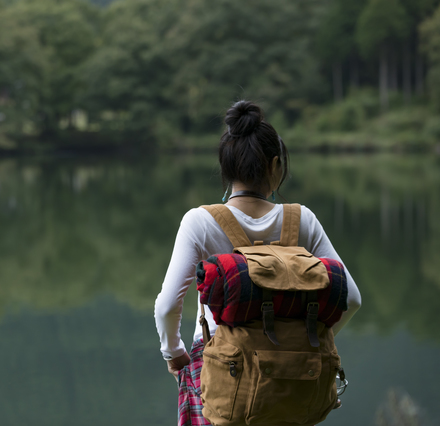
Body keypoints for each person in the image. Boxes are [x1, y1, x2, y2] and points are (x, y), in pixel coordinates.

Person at [153, 100, 362, 426]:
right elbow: (351, 299)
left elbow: (167, 306)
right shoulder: (302, 220)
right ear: (276, 165)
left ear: (225, 168)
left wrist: (174, 353)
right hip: (291, 377)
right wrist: (314, 342)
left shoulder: (200, 221)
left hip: (219, 373)